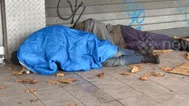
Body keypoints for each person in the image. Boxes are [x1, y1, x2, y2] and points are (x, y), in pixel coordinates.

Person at [10, 25, 159, 75]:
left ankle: (141, 55)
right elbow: (54, 58)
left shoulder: (34, 44)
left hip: (81, 43)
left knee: (112, 55)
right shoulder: (33, 41)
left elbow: (59, 36)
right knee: (112, 57)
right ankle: (143, 57)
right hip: (77, 50)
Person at [74, 18, 189, 53]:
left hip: (123, 44)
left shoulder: (83, 34)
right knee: (148, 36)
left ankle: (177, 44)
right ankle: (177, 42)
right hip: (122, 30)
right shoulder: (88, 23)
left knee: (149, 44)